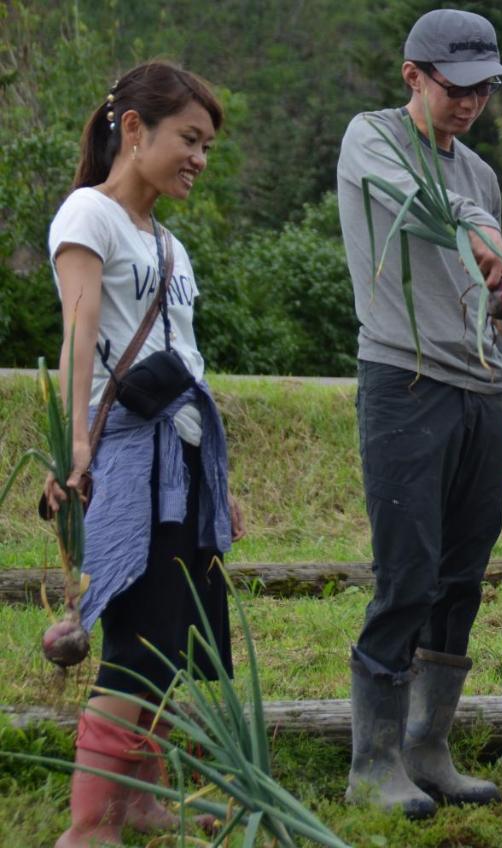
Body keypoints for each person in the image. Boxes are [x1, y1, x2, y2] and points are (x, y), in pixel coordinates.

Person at [42, 61, 243, 848]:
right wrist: (78, 445)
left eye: (207, 146)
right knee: (139, 635)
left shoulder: (170, 245)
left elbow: (187, 364)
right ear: (135, 129)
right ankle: (89, 824)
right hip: (126, 455)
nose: (199, 157)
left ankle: (138, 798)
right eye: (189, 139)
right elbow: (78, 342)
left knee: (178, 630)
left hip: (184, 457)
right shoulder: (87, 216)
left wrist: (218, 482)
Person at [335, 8, 502, 819]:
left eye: (483, 89)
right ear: (414, 75)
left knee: (462, 576)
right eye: (456, 88)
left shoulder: (479, 174)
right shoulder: (370, 137)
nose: (470, 103)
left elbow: (494, 300)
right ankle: (371, 761)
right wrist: (481, 238)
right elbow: (418, 203)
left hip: (479, 390)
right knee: (406, 571)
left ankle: (427, 747)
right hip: (404, 381)